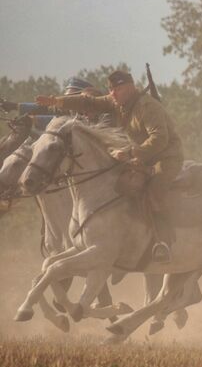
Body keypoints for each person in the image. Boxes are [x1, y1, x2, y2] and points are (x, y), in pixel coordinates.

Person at [36, 70, 183, 262]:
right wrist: (57, 101)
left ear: (130, 88)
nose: (113, 94)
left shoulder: (147, 107)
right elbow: (88, 102)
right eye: (111, 89)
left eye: (118, 89)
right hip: (141, 158)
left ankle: (161, 242)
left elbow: (160, 139)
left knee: (155, 189)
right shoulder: (116, 101)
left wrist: (132, 153)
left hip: (166, 158)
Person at [5, 77, 116, 127]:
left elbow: (62, 123)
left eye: (73, 99)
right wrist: (14, 106)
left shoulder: (104, 116)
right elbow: (45, 107)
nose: (70, 102)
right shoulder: (72, 111)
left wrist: (32, 120)